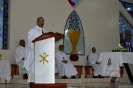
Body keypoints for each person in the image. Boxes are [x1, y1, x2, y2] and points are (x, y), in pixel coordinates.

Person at [24, 17, 47, 88]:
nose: (41, 22)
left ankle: (41, 83)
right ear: (37, 22)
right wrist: (38, 41)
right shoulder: (32, 30)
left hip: (43, 53)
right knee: (34, 68)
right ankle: (32, 84)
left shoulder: (45, 31)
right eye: (39, 21)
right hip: (35, 52)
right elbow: (30, 39)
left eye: (42, 21)